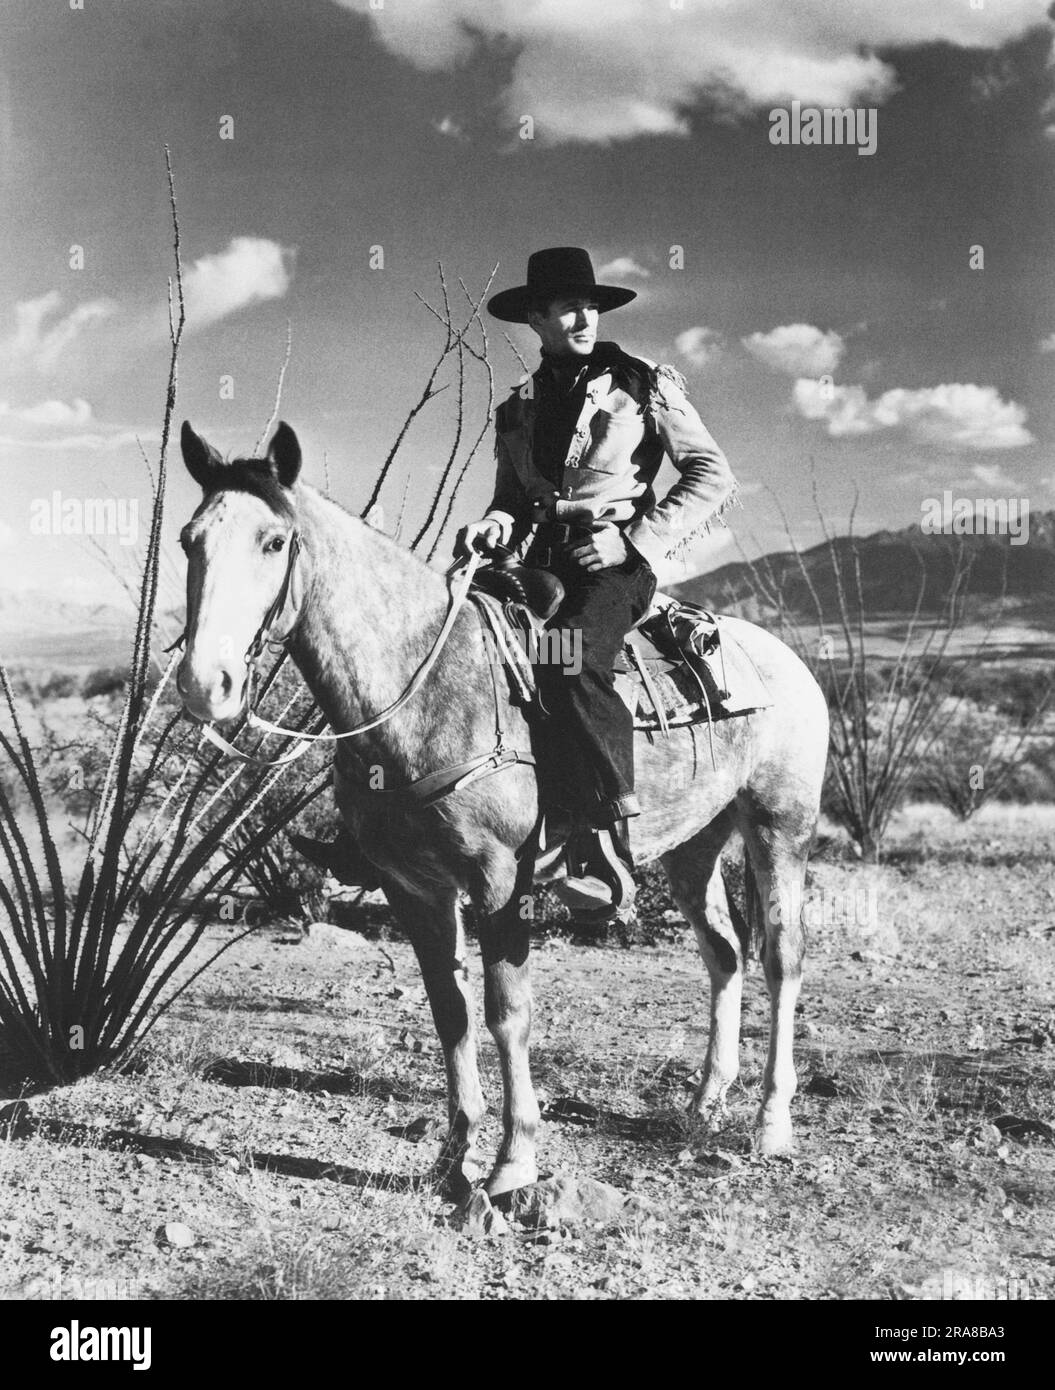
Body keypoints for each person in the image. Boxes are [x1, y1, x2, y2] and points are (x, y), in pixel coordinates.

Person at [457, 247, 736, 921]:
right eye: (566, 307)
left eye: (590, 305)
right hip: (538, 562)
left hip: (616, 563)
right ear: (536, 317)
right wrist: (493, 525)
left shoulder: (640, 385)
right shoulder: (517, 407)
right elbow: (511, 499)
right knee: (450, 647)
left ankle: (601, 845)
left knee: (572, 659)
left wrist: (633, 539)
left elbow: (711, 475)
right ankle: (414, 823)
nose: (583, 316)